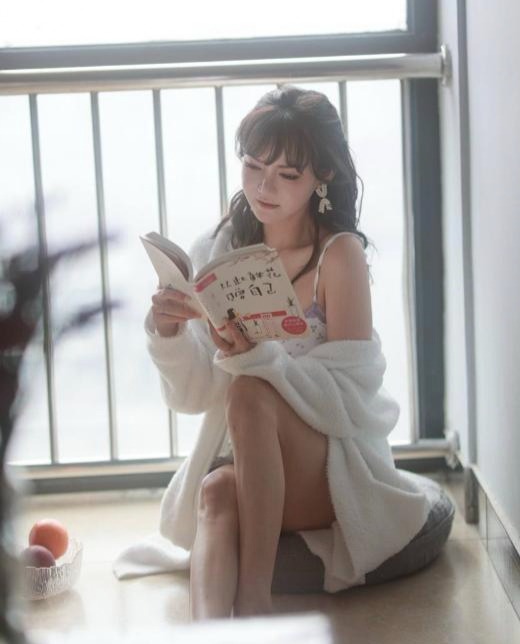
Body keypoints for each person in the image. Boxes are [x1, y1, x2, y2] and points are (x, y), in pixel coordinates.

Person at [146, 85, 431, 620]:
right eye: (253, 166)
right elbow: (194, 398)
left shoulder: (338, 256)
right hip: (247, 457)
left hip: (329, 464)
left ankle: (254, 603)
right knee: (215, 492)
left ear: (322, 175)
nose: (264, 187)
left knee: (250, 391)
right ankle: (211, 634)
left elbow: (351, 400)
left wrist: (259, 360)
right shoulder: (221, 247)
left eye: (287, 174)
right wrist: (168, 335)